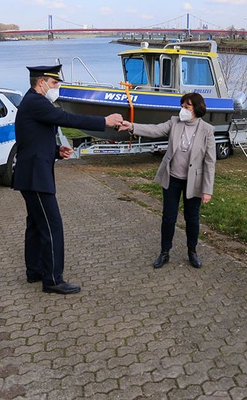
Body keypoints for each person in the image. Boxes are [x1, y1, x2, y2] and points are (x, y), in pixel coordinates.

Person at [13, 65, 123, 294]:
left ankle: (34, 270)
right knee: (52, 227)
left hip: (32, 173)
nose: (58, 88)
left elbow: (32, 139)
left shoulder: (33, 102)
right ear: (41, 82)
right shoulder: (36, 102)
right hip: (35, 177)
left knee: (35, 224)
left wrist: (55, 151)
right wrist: (104, 121)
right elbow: (67, 118)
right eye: (55, 83)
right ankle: (52, 279)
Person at [118, 93, 216, 269]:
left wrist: (207, 189)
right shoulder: (174, 122)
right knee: (168, 218)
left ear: (197, 108)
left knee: (192, 218)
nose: (183, 110)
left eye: (187, 107)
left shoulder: (207, 130)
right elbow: (155, 130)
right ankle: (164, 252)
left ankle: (192, 252)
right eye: (182, 106)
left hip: (193, 182)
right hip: (172, 178)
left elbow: (210, 161)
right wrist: (132, 126)